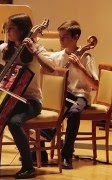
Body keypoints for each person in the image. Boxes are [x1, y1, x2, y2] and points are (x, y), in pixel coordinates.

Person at [0, 14, 55, 179]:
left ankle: (28, 167)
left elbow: (51, 69)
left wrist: (34, 52)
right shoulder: (8, 48)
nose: (8, 31)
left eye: (11, 28)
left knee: (14, 122)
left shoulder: (37, 49)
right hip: (9, 98)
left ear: (22, 30)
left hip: (30, 101)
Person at [39, 20, 99, 169]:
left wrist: (80, 67)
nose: (60, 40)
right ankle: (40, 153)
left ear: (76, 37)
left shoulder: (86, 57)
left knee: (74, 112)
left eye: (64, 37)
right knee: (41, 105)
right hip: (63, 95)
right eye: (59, 37)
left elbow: (95, 85)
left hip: (80, 95)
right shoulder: (57, 57)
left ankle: (67, 154)